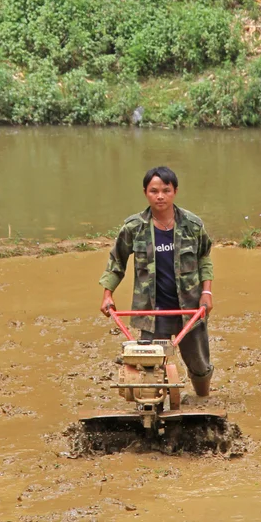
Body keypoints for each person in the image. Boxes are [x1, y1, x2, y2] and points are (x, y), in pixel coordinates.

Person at [99, 166, 214, 396]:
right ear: (145, 193)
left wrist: (206, 293)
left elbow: (204, 258)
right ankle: (153, 406)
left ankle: (203, 398)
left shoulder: (192, 225)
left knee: (200, 365)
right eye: (154, 191)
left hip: (188, 309)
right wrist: (107, 294)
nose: (160, 196)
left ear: (175, 191)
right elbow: (117, 261)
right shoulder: (134, 228)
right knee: (149, 365)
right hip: (152, 311)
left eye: (165, 190)